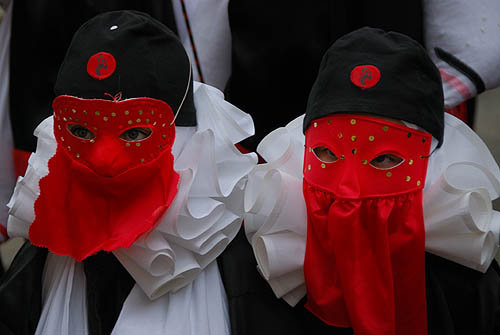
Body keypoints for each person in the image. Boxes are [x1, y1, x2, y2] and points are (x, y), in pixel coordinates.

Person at [0, 10, 257, 334]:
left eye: (134, 133)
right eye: (82, 131)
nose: (105, 161)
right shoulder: (48, 245)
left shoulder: (230, 249)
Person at [244, 27, 500, 335]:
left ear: (431, 161)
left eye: (384, 159)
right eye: (327, 153)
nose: (348, 189)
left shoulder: (461, 281)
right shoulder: (270, 263)